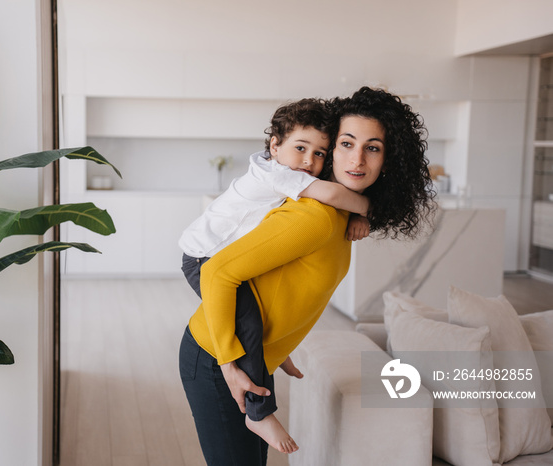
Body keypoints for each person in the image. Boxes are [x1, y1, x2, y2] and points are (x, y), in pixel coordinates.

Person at [179, 86, 435, 465]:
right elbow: (217, 272)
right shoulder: (315, 215)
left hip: (244, 357)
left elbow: (279, 284)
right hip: (217, 360)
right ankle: (259, 414)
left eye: (373, 148)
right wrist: (230, 367)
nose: (357, 159)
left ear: (389, 159)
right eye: (346, 143)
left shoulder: (337, 216)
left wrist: (276, 346)